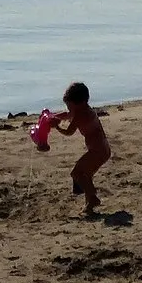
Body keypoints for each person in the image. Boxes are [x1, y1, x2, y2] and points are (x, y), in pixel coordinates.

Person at [51, 82, 110, 216]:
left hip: (97, 152)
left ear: (79, 103)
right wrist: (54, 116)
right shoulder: (85, 110)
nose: (68, 108)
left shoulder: (80, 115)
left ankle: (93, 199)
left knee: (76, 173)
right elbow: (68, 114)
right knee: (86, 175)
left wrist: (57, 127)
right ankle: (89, 203)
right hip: (103, 149)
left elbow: (69, 132)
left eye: (69, 105)